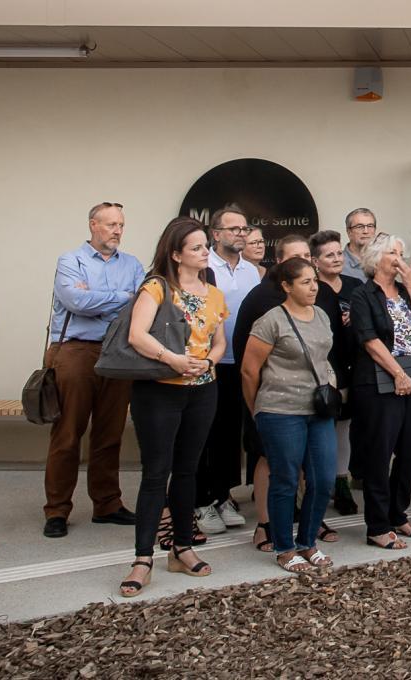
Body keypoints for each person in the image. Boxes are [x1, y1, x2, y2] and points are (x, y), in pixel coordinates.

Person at [119, 217, 226, 598]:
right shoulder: (157, 287)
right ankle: (142, 558)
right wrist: (174, 360)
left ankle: (182, 547)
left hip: (202, 390)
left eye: (205, 247)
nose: (204, 253)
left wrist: (210, 362)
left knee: (188, 471)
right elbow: (136, 335)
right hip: (159, 391)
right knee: (155, 473)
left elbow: (219, 342)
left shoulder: (214, 292)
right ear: (176, 253)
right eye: (196, 247)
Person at [43, 203, 143, 538]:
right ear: (93, 225)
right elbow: (75, 302)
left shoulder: (132, 264)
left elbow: (141, 303)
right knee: (68, 433)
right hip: (75, 351)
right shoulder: (70, 260)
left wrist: (101, 297)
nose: (117, 231)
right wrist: (121, 296)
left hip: (118, 353)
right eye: (111, 224)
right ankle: (57, 510)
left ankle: (107, 504)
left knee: (109, 433)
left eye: (121, 225)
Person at [239, 256, 337, 573]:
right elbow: (249, 371)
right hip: (280, 411)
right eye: (306, 281)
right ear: (286, 286)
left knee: (322, 478)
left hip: (318, 409)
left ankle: (307, 542)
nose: (314, 286)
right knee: (285, 480)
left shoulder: (321, 314)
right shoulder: (271, 320)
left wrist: (330, 381)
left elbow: (324, 357)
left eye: (315, 280)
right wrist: (258, 410)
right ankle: (284, 547)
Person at [349, 233, 411, 549]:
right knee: (379, 453)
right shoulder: (363, 295)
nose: (400, 258)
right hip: (378, 381)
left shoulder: (406, 292)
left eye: (401, 252)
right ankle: (377, 525)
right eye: (393, 253)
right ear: (376, 259)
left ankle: (398, 513)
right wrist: (397, 373)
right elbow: (370, 341)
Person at [231, 233, 312, 549]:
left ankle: (306, 522)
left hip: (303, 394)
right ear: (279, 262)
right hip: (270, 395)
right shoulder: (264, 299)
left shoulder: (309, 295)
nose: (305, 261)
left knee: (303, 459)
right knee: (268, 458)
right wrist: (256, 407)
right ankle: (264, 526)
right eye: (296, 257)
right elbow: (249, 363)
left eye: (308, 254)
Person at [195, 205, 260, 535]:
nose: (240, 233)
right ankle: (200, 502)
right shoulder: (203, 265)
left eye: (244, 229)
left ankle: (221, 496)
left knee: (229, 435)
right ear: (215, 234)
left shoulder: (250, 270)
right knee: (204, 434)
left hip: (241, 362)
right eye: (233, 228)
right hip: (209, 363)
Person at [306, 230, 363, 524]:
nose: (337, 258)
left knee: (345, 426)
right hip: (320, 366)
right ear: (315, 261)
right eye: (329, 255)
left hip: (351, 363)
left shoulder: (354, 285)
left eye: (339, 253)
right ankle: (317, 485)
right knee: (321, 425)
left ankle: (342, 482)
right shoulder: (310, 288)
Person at [341, 208, 377, 282]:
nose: (366, 231)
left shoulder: (382, 260)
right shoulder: (338, 264)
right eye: (360, 226)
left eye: (370, 226)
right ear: (349, 232)